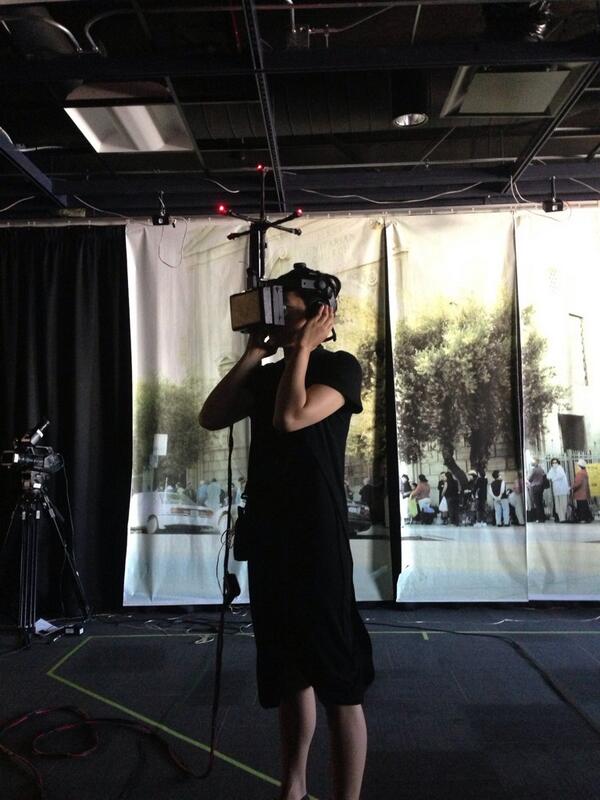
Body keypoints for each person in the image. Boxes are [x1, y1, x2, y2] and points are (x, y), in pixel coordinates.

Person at [199, 270, 374, 800]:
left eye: (289, 309)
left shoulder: (340, 368)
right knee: (289, 673)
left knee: (339, 683)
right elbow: (212, 415)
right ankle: (291, 789)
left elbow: (291, 416)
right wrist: (255, 353)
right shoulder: (272, 371)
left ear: (320, 314)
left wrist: (300, 350)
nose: (279, 318)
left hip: (317, 541)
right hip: (270, 539)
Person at [547, 458, 569, 522]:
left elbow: (560, 476)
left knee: (563, 504)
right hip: (556, 490)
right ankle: (561, 518)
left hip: (562, 490)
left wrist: (553, 478)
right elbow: (548, 476)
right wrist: (553, 476)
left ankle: (563, 518)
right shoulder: (552, 469)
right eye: (553, 463)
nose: (554, 464)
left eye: (555, 462)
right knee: (558, 505)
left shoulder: (560, 468)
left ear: (558, 463)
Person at [572, 459, 593, 523]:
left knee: (581, 506)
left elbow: (577, 483)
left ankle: (583, 519)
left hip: (580, 493)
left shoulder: (579, 473)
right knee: (585, 505)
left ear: (579, 466)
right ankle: (588, 518)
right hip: (584, 492)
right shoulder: (585, 472)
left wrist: (572, 487)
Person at [527, 458, 547, 522]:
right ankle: (543, 517)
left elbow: (530, 479)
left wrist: (528, 479)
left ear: (536, 462)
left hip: (535, 487)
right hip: (540, 487)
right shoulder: (541, 469)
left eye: (533, 461)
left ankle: (540, 518)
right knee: (540, 502)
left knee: (537, 503)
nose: (532, 462)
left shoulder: (534, 470)